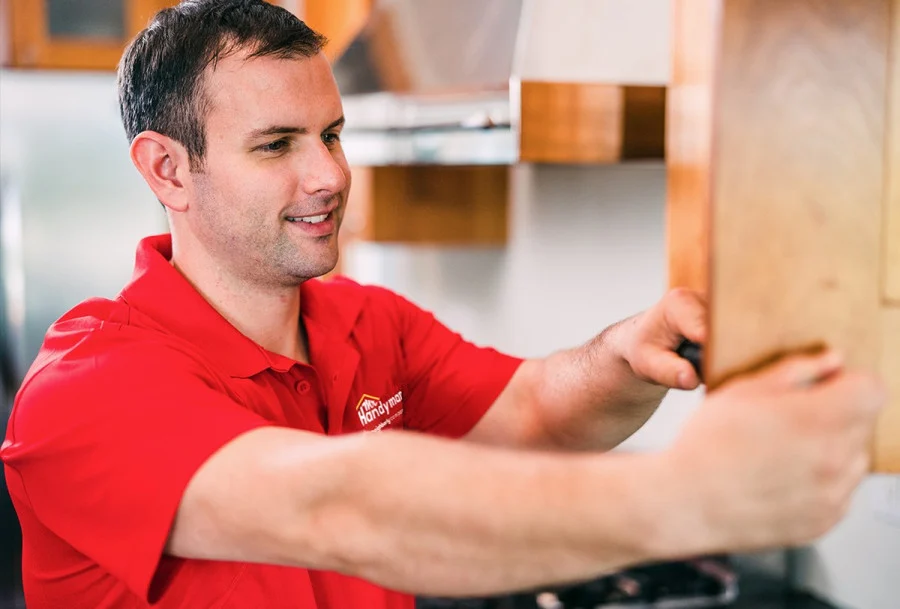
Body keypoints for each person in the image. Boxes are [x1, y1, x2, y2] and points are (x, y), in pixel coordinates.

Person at [0, 1, 886, 608]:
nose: (330, 174)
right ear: (167, 169)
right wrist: (694, 495)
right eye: (277, 145)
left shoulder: (364, 322)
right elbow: (335, 509)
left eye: (332, 135)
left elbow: (534, 412)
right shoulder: (85, 390)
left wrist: (627, 354)